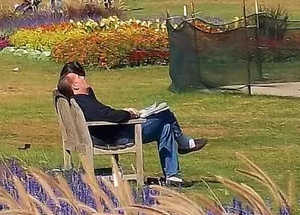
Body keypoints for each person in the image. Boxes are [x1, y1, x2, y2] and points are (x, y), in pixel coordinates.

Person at [55, 66, 207, 186]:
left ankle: (173, 176)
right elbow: (106, 116)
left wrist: (124, 111)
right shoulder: (83, 101)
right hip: (119, 137)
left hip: (111, 133)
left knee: (165, 127)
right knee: (165, 115)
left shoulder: (80, 101)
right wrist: (129, 115)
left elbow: (105, 113)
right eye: (79, 78)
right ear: (75, 86)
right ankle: (184, 144)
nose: (83, 78)